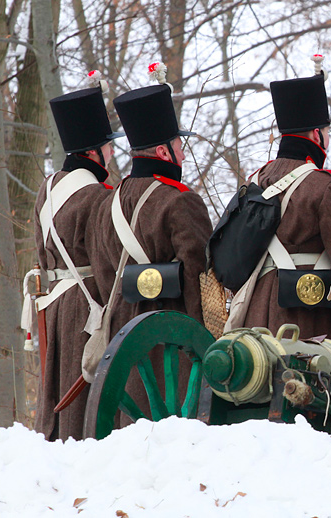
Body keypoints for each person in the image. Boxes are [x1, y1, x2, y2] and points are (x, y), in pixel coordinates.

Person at [88, 78, 212, 426]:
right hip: (173, 344)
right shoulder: (180, 200)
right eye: (178, 145)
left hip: (124, 342)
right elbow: (201, 279)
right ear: (163, 152)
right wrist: (206, 338)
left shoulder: (106, 204)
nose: (183, 154)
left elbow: (102, 276)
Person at [226, 57, 331, 344]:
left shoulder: (255, 180)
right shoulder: (326, 185)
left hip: (256, 312)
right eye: (327, 132)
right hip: (310, 318)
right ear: (317, 134)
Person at [32, 81, 122, 441]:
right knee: (79, 393)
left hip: (52, 300)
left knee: (56, 386)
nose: (113, 153)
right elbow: (106, 264)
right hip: (85, 304)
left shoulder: (48, 187)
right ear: (96, 151)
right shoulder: (96, 195)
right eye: (109, 145)